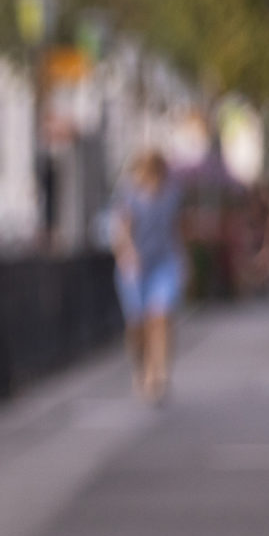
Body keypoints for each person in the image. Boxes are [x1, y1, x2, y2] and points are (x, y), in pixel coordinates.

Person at [109, 148, 186, 405]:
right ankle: (141, 367)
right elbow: (121, 230)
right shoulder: (129, 194)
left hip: (164, 263)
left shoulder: (172, 194)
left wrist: (184, 262)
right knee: (137, 324)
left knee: (161, 315)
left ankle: (159, 372)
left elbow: (178, 229)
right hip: (137, 267)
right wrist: (129, 253)